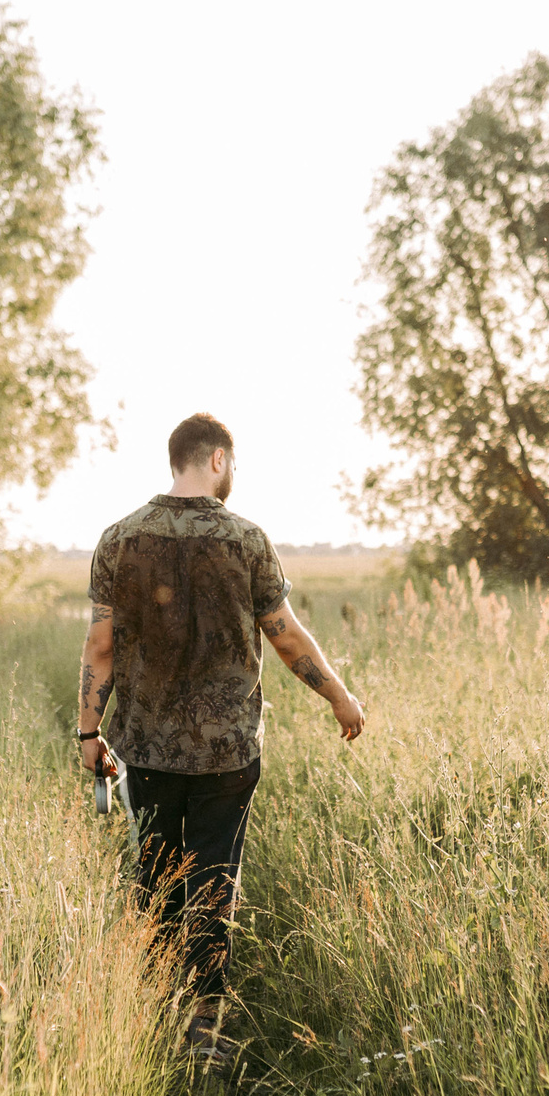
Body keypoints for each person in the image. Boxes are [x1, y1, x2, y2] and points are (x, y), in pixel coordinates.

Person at [76, 412, 366, 1061]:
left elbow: (99, 647)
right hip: (228, 752)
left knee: (153, 871)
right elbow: (285, 635)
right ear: (215, 460)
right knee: (213, 879)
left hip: (147, 749)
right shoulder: (246, 539)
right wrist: (339, 695)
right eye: (230, 464)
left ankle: (150, 1010)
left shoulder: (119, 538)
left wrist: (89, 731)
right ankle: (202, 1029)